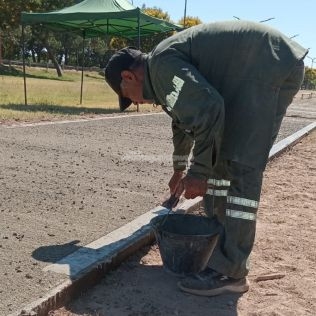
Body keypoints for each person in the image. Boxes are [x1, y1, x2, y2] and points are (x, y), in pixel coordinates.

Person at [104, 20, 307, 297]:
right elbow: (185, 120)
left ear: (129, 77)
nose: (135, 103)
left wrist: (199, 172)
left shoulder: (162, 66)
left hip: (266, 65)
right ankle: (220, 256)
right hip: (263, 64)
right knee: (221, 163)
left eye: (128, 96)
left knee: (238, 164)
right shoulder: (161, 72)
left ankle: (231, 272)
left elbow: (209, 108)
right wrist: (180, 168)